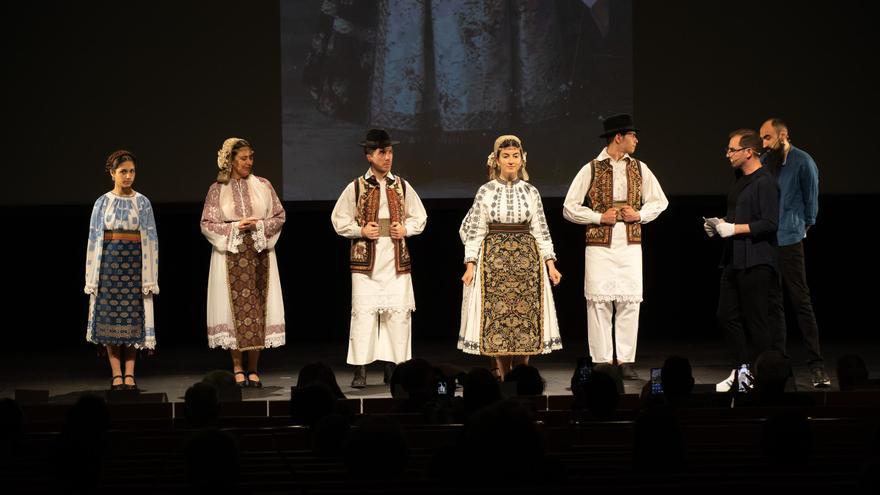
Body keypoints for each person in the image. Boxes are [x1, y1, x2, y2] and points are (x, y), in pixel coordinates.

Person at [562, 114, 668, 379]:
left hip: (630, 244)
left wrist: (640, 215)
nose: (636, 139)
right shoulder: (592, 168)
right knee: (599, 303)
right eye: (632, 135)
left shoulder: (640, 168)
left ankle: (625, 360)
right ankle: (601, 361)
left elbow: (660, 201)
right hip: (600, 246)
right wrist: (598, 216)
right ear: (618, 137)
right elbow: (569, 208)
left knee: (629, 301)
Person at [458, 135, 562, 378]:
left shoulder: (531, 191)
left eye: (515, 156)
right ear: (497, 160)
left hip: (527, 263)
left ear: (522, 158)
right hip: (494, 263)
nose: (511, 160)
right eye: (506, 156)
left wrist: (551, 264)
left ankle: (523, 376)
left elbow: (541, 229)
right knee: (499, 320)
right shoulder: (485, 191)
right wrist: (470, 264)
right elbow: (475, 230)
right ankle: (504, 376)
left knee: (526, 318)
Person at [331, 129, 427, 388]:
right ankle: (360, 369)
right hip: (367, 262)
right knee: (364, 314)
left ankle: (394, 367)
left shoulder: (402, 185)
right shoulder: (357, 186)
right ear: (369, 156)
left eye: (390, 152)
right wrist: (360, 230)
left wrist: (405, 229)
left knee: (396, 314)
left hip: (395, 257)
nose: (388, 157)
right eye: (382, 152)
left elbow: (420, 216)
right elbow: (339, 220)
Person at [200, 138, 286, 388]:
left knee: (259, 307)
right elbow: (207, 223)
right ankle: (237, 368)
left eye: (251, 157)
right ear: (231, 160)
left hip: (259, 252)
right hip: (231, 253)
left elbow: (279, 215)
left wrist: (258, 225)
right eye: (243, 158)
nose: (248, 162)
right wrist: (236, 228)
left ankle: (254, 368)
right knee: (232, 308)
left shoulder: (263, 185)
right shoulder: (217, 188)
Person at [705, 129, 781, 392]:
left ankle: (765, 378)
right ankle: (742, 371)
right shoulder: (739, 179)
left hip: (757, 261)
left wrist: (734, 229)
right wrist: (720, 225)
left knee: (757, 322)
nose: (728, 154)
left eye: (732, 150)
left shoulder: (765, 182)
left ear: (748, 152)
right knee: (725, 314)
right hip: (734, 258)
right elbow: (736, 215)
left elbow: (770, 223)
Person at [759, 118, 829, 388]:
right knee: (773, 304)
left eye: (767, 137)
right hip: (768, 241)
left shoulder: (803, 161)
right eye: (762, 138)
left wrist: (801, 227)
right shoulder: (767, 162)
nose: (764, 143)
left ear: (783, 135)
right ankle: (780, 365)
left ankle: (816, 365)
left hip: (790, 240)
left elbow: (811, 203)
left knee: (800, 301)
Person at [85, 150, 159, 390]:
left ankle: (130, 373)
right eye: (123, 171)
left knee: (133, 318)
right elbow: (94, 238)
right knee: (109, 319)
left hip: (135, 265)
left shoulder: (142, 202)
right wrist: (92, 275)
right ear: (112, 173)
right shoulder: (102, 202)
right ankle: (116, 373)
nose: (128, 176)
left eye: (132, 171)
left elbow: (151, 237)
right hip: (109, 266)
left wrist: (149, 274)